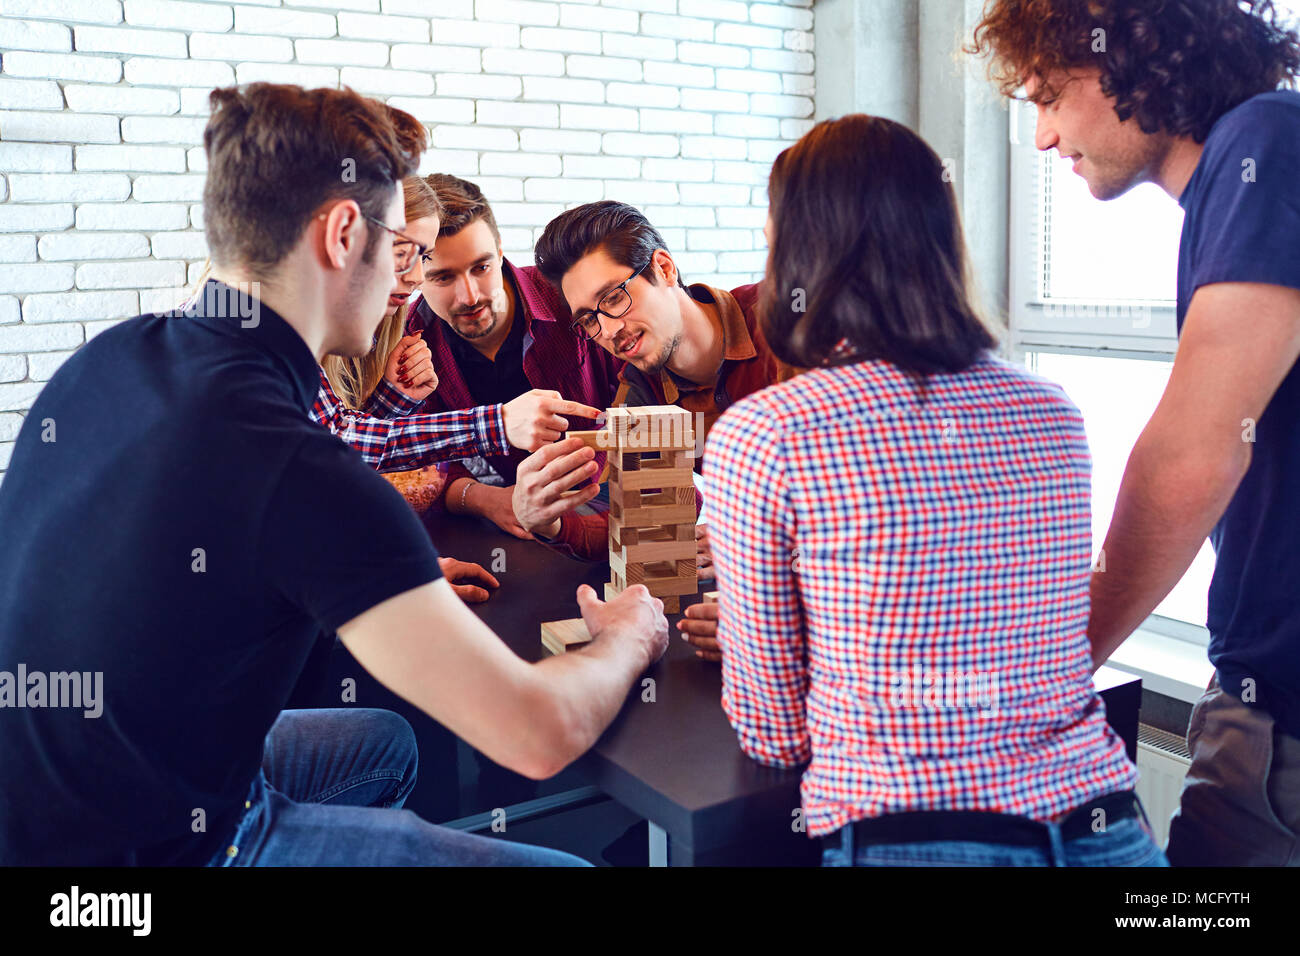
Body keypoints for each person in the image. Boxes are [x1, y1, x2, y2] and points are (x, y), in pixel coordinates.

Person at [0, 82, 667, 867]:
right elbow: (539, 734)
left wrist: (378, 584)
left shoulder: (107, 358)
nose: (406, 282)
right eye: (402, 250)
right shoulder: (298, 463)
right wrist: (628, 639)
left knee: (382, 745)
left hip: (48, 797)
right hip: (148, 864)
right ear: (344, 232)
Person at [704, 113, 1165, 867]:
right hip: (1107, 830)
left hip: (911, 842)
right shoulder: (1055, 414)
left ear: (799, 257)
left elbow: (774, 733)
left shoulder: (769, 433)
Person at [969, 0, 1300, 866]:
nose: (1040, 138)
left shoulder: (1266, 142)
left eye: (1045, 95)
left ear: (1129, 58)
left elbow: (1195, 451)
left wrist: (1054, 671)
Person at [512, 201, 797, 562]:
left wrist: (762, 544)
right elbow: (638, 523)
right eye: (588, 319)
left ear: (663, 268)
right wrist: (542, 520)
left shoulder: (786, 324)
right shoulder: (640, 393)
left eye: (614, 297)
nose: (610, 331)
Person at [404, 175, 623, 548]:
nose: (470, 296)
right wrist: (485, 501)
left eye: (481, 267)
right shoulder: (409, 340)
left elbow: (642, 398)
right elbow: (415, 462)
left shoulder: (569, 295)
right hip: (505, 530)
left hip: (611, 505)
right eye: (442, 277)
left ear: (501, 250)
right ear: (413, 274)